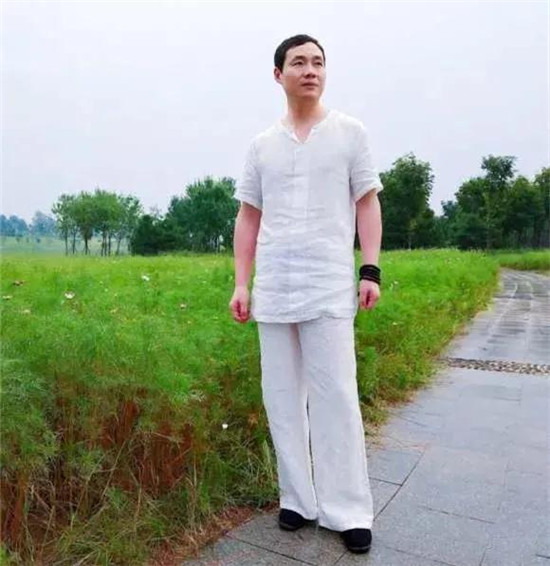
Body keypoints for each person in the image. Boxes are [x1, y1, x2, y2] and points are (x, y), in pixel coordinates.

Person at [228, 34, 383, 555]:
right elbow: (248, 216)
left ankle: (349, 510)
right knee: (281, 396)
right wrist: (242, 282)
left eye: (318, 62)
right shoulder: (262, 145)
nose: (310, 70)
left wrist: (370, 269)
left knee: (336, 396)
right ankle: (296, 498)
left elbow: (367, 202)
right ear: (279, 75)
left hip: (328, 285)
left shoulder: (349, 133)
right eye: (299, 62)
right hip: (274, 287)